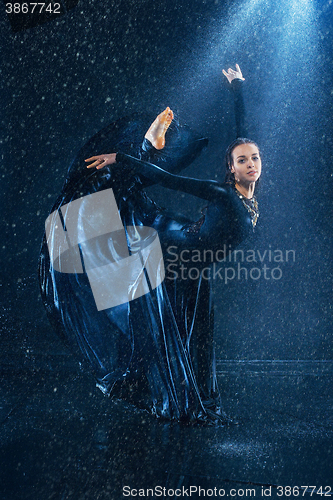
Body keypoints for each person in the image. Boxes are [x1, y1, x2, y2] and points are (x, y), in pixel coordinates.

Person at [39, 64, 259, 424]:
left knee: (186, 325)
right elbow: (170, 180)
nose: (251, 163)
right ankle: (144, 146)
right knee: (121, 205)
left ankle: (143, 149)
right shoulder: (224, 194)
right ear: (231, 169)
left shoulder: (246, 188)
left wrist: (238, 88)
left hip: (193, 259)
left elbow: (244, 131)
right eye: (242, 160)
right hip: (177, 248)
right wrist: (121, 157)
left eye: (254, 158)